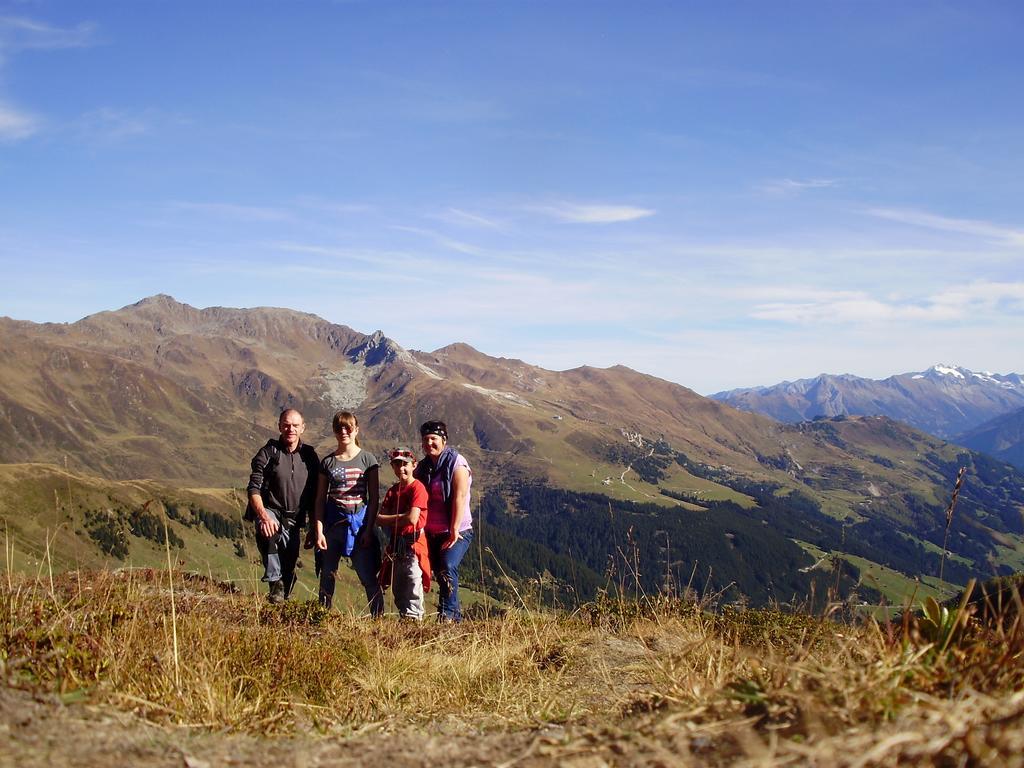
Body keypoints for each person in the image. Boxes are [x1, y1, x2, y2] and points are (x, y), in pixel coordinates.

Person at [246, 408, 319, 604]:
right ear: (279, 426)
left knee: (289, 562)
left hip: (295, 517)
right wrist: (263, 515)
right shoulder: (268, 453)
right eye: (286, 425)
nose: (290, 429)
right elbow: (253, 488)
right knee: (267, 533)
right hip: (272, 510)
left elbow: (314, 496)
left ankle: (283, 595)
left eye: (295, 425)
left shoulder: (310, 456)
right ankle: (274, 581)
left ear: (303, 428)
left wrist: (313, 526)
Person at [313, 411, 383, 615]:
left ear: (356, 430)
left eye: (348, 427)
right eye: (339, 428)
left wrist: (369, 530)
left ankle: (378, 619)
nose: (343, 431)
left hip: (359, 528)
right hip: (333, 527)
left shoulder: (368, 460)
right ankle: (322, 616)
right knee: (327, 575)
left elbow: (373, 499)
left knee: (368, 576)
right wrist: (319, 530)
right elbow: (320, 499)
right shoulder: (327, 463)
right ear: (334, 431)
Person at [414, 420, 473, 622]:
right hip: (431, 532)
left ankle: (447, 617)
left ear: (444, 440)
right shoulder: (423, 468)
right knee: (439, 573)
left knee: (447, 566)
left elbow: (460, 496)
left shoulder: (457, 463)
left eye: (433, 439)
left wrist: (454, 529)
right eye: (425, 439)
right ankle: (453, 619)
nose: (429, 443)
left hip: (457, 531)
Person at [376, 447, 431, 620]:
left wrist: (392, 519)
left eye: (405, 464)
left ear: (414, 465)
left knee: (413, 579)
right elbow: (379, 519)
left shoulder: (418, 488)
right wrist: (402, 516)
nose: (401, 469)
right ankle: (405, 619)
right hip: (396, 544)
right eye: (397, 465)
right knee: (398, 584)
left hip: (413, 543)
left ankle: (415, 620)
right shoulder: (393, 491)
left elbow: (413, 519)